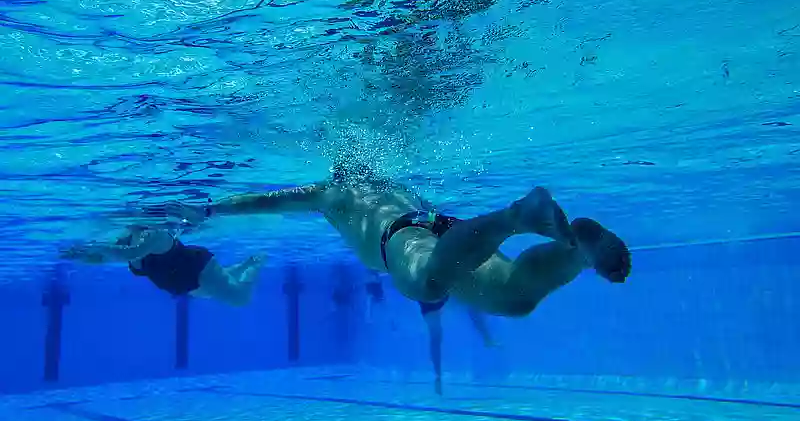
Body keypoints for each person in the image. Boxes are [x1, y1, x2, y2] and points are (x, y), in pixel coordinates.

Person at [157, 167, 630, 319]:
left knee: (427, 285)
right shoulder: (388, 180)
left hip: (401, 238)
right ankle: (578, 254)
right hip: (442, 227)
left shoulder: (330, 191)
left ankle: (517, 216)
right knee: (514, 298)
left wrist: (211, 209)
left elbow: (264, 203)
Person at [61, 225, 263, 307]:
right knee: (218, 286)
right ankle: (247, 263)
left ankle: (256, 264)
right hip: (184, 283)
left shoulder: (156, 235)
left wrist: (91, 246)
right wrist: (78, 256)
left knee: (240, 299)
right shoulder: (125, 241)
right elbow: (104, 258)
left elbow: (128, 254)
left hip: (197, 269)